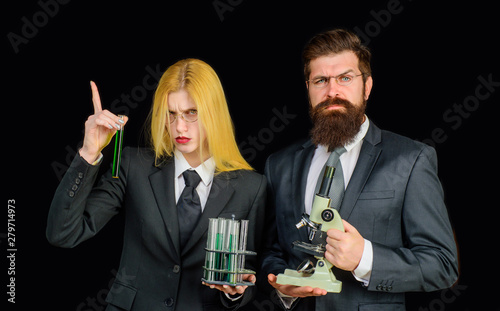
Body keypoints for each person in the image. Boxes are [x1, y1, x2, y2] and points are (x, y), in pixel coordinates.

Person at [260, 29, 458, 310]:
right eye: (321, 80)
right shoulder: (279, 164)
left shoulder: (411, 159)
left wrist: (365, 258)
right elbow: (271, 251)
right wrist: (282, 283)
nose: (332, 92)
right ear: (308, 88)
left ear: (366, 86)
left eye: (345, 78)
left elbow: (442, 265)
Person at [47, 58, 266, 311]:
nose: (179, 127)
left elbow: (250, 277)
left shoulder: (252, 188)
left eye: (191, 113)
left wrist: (236, 293)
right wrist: (88, 152)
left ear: (214, 113)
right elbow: (63, 233)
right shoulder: (133, 165)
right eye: (170, 114)